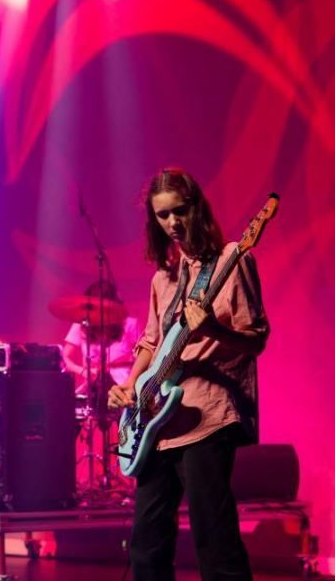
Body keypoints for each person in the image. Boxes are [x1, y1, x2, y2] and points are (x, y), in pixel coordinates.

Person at [107, 167, 269, 580]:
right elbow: (149, 341)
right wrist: (128, 385)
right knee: (146, 545)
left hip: (208, 417)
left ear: (196, 207)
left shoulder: (234, 261)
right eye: (162, 215)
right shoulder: (163, 278)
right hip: (158, 426)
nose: (173, 223)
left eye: (180, 211)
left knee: (214, 541)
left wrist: (213, 328)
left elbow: (256, 338)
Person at [61, 279, 138, 398]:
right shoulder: (82, 324)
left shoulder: (130, 324)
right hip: (92, 387)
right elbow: (64, 356)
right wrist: (83, 371)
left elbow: (141, 357)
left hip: (122, 386)